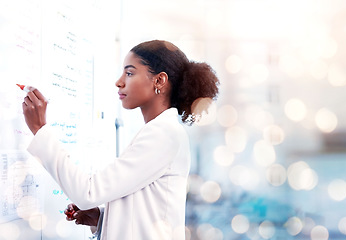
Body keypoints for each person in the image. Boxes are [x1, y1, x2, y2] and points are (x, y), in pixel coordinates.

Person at [22, 40, 219, 240]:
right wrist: (101, 218)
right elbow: (147, 210)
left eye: (130, 73)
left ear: (159, 81)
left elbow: (88, 192)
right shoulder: (161, 131)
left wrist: (40, 130)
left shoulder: (163, 134)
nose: (119, 81)